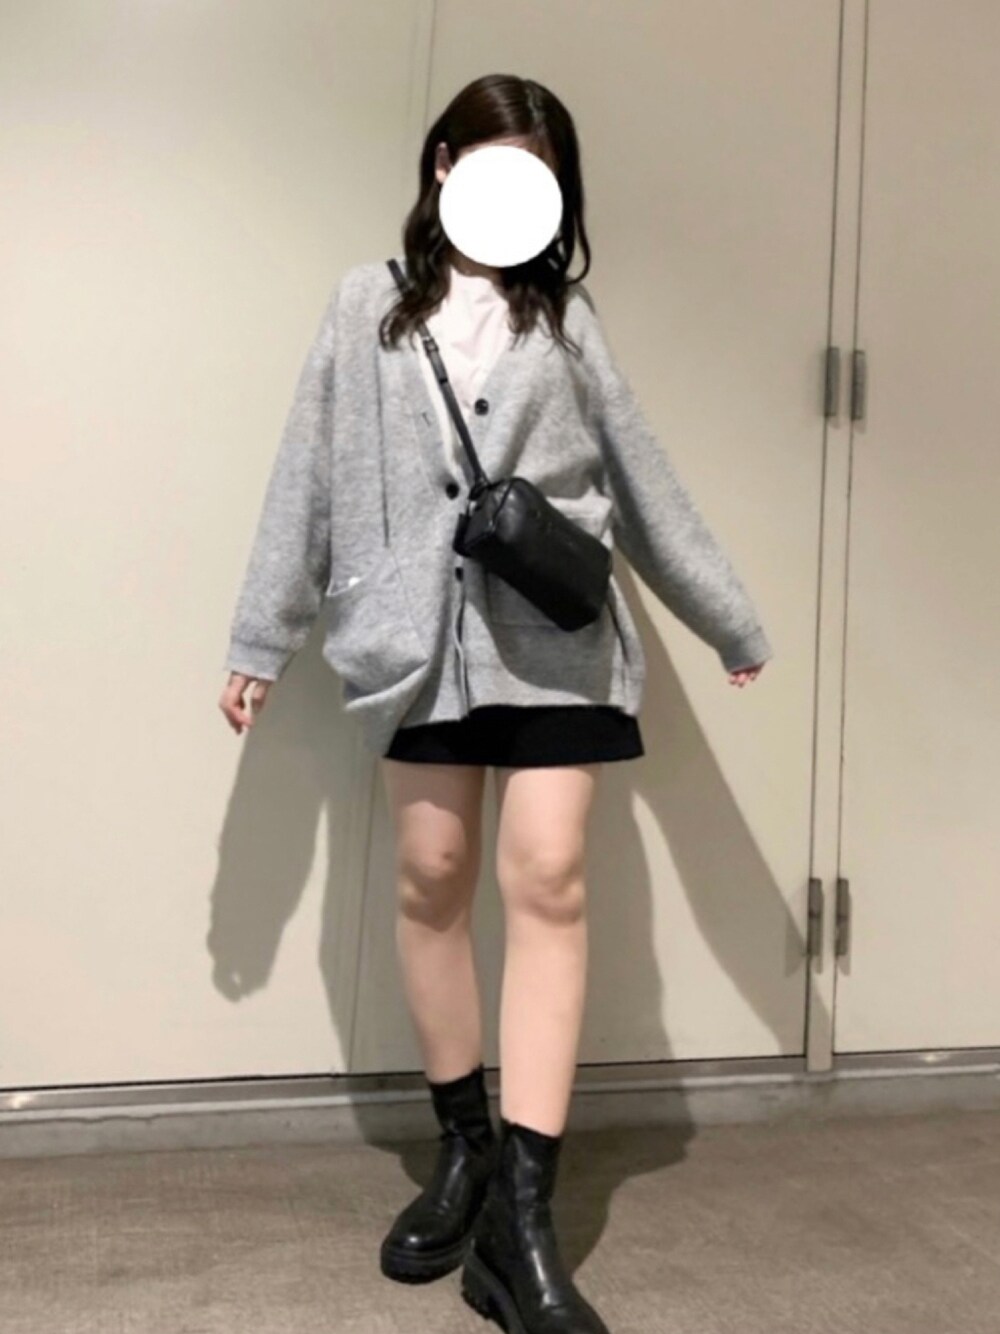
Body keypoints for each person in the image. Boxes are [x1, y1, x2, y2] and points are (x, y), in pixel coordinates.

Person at [219, 73, 770, 1334]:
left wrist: (726, 617)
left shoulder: (566, 321)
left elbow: (640, 478)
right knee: (430, 875)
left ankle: (522, 1224)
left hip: (555, 649)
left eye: (545, 178)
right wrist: (260, 634)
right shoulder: (365, 306)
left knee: (550, 876)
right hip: (415, 646)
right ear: (444, 163)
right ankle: (463, 1144)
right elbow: (307, 473)